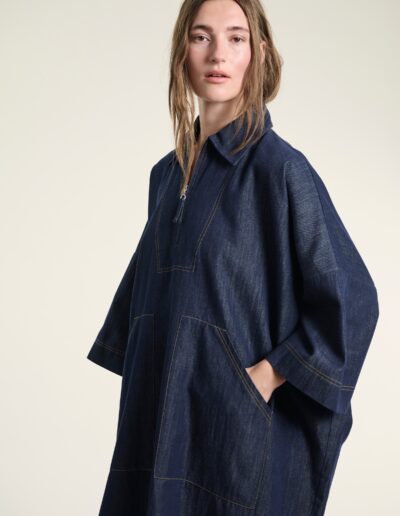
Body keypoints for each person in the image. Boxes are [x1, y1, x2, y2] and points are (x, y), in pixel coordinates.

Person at [86, 1, 380, 515]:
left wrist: (267, 375)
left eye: (236, 38)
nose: (218, 54)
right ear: (182, 51)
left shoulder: (280, 170)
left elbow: (353, 298)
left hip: (232, 429)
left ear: (259, 53)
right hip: (159, 412)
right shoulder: (165, 176)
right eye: (201, 37)